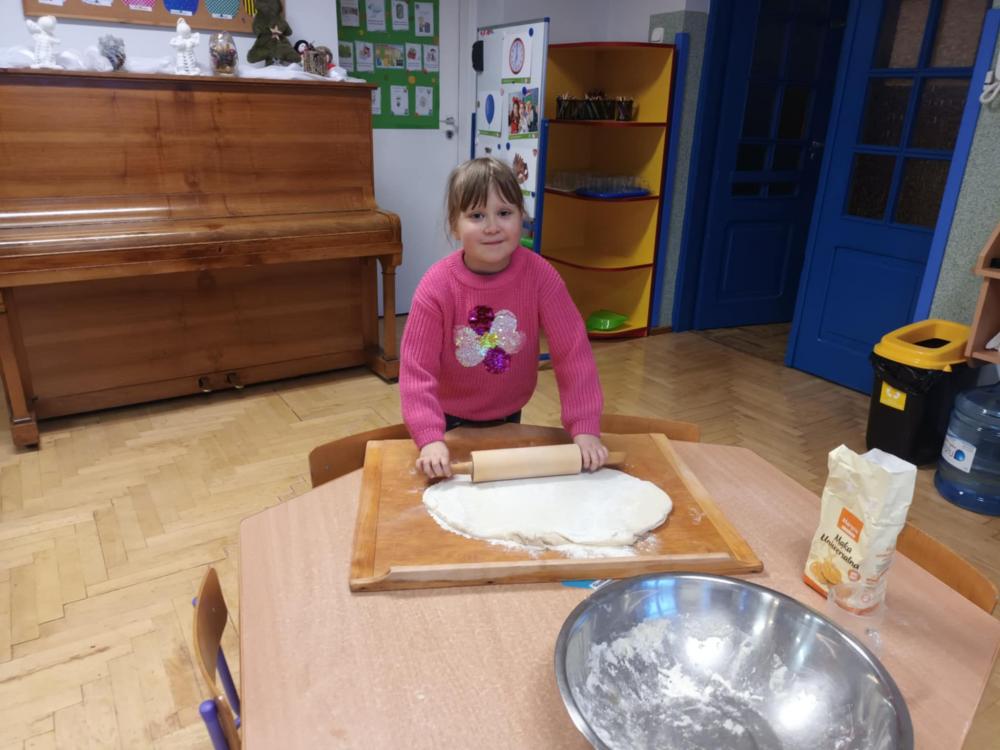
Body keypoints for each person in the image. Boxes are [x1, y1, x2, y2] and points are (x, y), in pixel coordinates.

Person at [400, 158, 608, 479]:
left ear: (521, 217)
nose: (492, 227)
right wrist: (429, 438)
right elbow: (417, 369)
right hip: (448, 418)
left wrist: (584, 427)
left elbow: (573, 353)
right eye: (477, 215)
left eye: (504, 213)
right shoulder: (436, 285)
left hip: (511, 411)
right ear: (454, 225)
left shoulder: (541, 276)